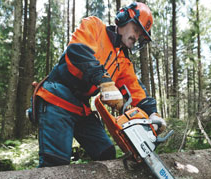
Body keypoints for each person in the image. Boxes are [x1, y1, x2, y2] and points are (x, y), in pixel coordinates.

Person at [33, 2, 166, 167]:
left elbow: (136, 90)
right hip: (57, 98)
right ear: (123, 18)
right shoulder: (95, 26)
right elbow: (77, 51)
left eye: (140, 35)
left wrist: (153, 114)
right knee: (55, 163)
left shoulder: (122, 60)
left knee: (106, 153)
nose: (136, 37)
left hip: (81, 107)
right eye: (136, 30)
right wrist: (104, 81)